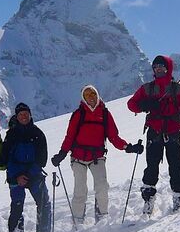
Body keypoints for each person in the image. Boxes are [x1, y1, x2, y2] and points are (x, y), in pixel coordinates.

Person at [127, 55, 180, 214]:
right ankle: (148, 199)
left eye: (162, 66)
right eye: (156, 67)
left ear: (168, 68)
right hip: (154, 132)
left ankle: (178, 198)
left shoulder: (178, 89)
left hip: (173, 132)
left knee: (176, 166)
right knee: (151, 167)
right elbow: (131, 104)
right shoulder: (147, 88)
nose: (158, 69)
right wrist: (144, 105)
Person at [51, 85, 143, 224]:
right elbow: (69, 137)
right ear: (83, 98)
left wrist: (128, 147)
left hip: (97, 156)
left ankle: (102, 217)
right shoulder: (79, 114)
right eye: (88, 95)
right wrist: (62, 154)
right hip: (78, 157)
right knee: (80, 189)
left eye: (93, 94)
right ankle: (77, 220)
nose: (91, 98)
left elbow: (113, 137)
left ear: (97, 95)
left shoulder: (105, 114)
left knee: (102, 187)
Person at [0, 103, 52, 232]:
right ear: (16, 117)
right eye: (20, 114)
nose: (24, 116)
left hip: (34, 175)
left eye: (26, 114)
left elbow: (42, 159)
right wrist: (17, 176)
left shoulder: (38, 133)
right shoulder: (11, 134)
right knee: (17, 207)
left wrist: (28, 175)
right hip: (16, 177)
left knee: (44, 203)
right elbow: (7, 159)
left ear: (30, 115)